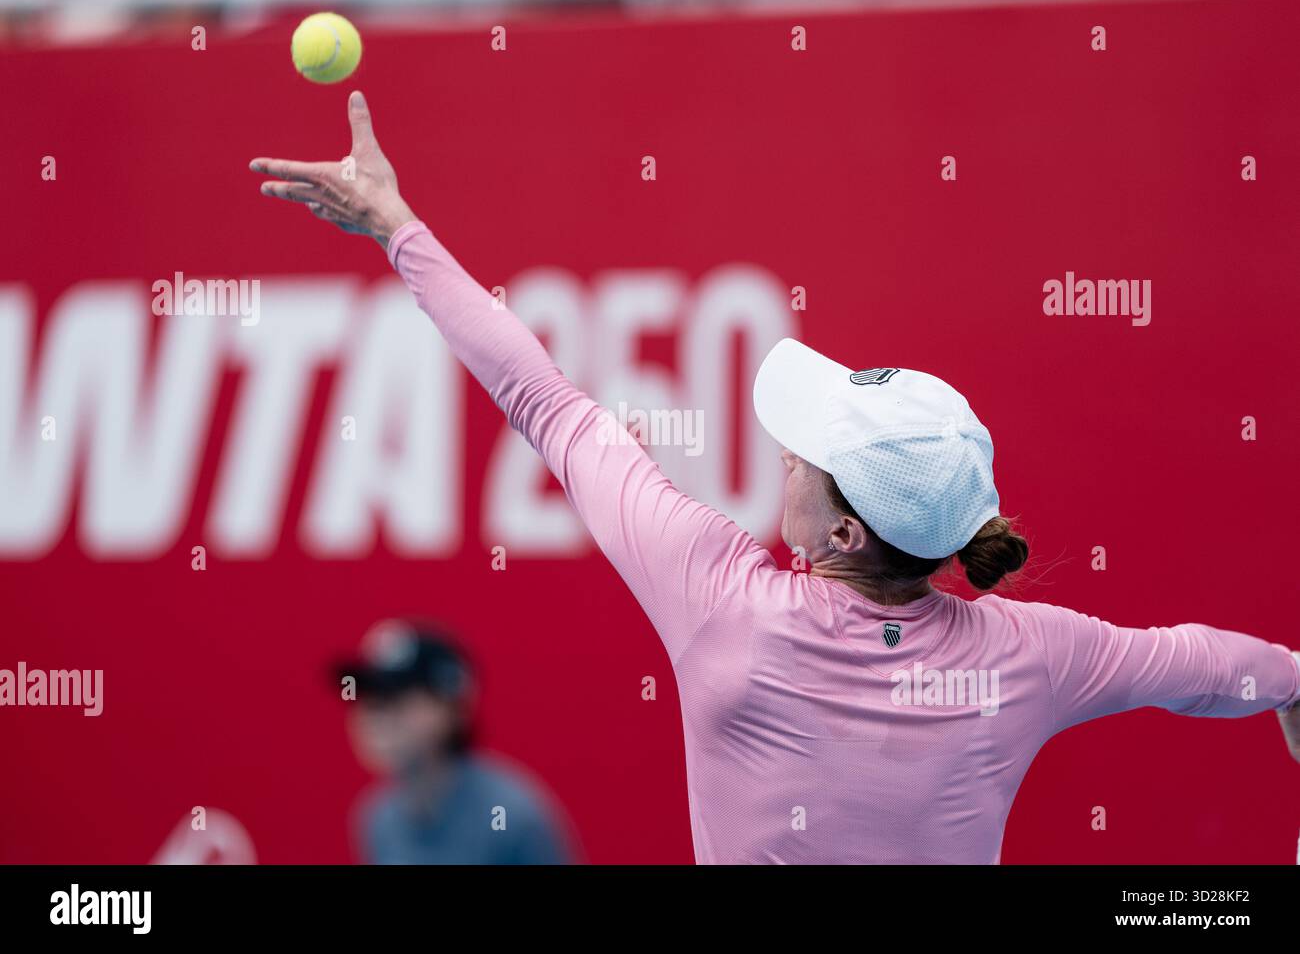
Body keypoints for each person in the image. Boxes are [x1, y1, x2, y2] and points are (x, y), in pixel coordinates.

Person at [254, 93, 1300, 864]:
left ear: (842, 532)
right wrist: (1293, 679)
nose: (786, 453)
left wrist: (398, 229)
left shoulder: (720, 599)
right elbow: (1196, 664)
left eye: (807, 453)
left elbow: (544, 399)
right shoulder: (1031, 656)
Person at [337, 619, 574, 864]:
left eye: (396, 697)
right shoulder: (377, 818)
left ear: (451, 710)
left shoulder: (512, 815)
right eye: (367, 697)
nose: (376, 715)